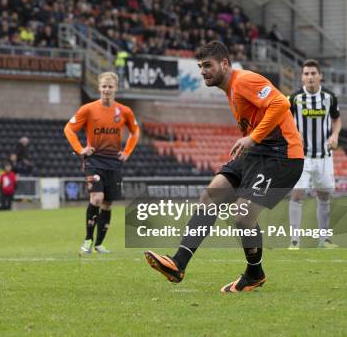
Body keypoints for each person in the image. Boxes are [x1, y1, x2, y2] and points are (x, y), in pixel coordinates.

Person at [144, 41, 304, 293]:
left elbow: (281, 104)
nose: (203, 71)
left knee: (242, 216)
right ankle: (178, 263)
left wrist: (252, 137)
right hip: (257, 153)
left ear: (225, 63)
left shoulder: (244, 80)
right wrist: (250, 140)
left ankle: (254, 274)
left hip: (281, 155)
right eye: (200, 67)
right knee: (211, 195)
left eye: (208, 65)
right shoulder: (230, 90)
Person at [64, 71, 140, 255]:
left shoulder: (124, 111)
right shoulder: (88, 109)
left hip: (114, 162)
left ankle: (99, 243)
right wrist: (80, 149)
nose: (107, 89)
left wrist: (127, 151)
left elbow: (135, 131)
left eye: (110, 86)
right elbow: (69, 128)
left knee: (107, 204)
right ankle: (88, 239)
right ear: (99, 88)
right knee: (96, 199)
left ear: (116, 88)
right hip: (94, 160)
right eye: (104, 86)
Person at [288, 59, 342, 249]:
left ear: (320, 76)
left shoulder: (330, 97)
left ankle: (323, 240)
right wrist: (294, 135)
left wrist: (335, 136)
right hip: (301, 157)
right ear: (302, 77)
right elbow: (284, 122)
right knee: (297, 195)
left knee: (324, 196)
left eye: (313, 73)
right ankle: (294, 241)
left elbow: (337, 120)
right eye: (306, 74)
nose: (310, 77)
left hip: (324, 156)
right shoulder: (293, 98)